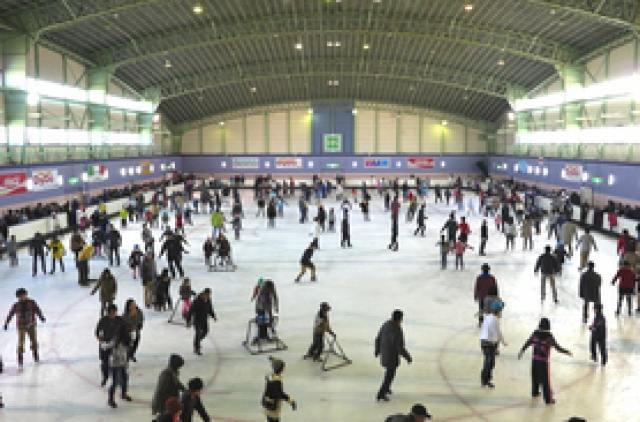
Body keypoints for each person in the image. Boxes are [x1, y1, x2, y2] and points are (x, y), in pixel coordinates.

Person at [518, 318, 572, 405]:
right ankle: (548, 399)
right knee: (545, 381)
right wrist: (566, 351)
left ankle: (535, 392)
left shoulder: (535, 334)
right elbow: (557, 347)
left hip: (535, 360)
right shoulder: (549, 336)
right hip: (543, 362)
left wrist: (521, 351)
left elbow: (527, 343)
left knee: (535, 376)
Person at [375, 309, 412, 402]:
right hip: (391, 357)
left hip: (385, 353)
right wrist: (408, 357)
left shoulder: (386, 324)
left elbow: (378, 337)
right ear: (400, 319)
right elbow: (399, 348)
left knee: (390, 374)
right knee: (389, 375)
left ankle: (386, 389)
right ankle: (381, 394)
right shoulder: (397, 331)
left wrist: (377, 350)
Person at [3, 288, 45, 366]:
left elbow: (37, 310)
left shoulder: (32, 302)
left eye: (23, 296)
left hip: (31, 325)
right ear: (17, 297)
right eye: (19, 297)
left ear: (26, 295)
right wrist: (6, 323)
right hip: (21, 326)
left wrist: (41, 316)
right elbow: (10, 314)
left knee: (34, 340)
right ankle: (20, 357)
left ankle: (35, 354)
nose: (22, 298)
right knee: (21, 342)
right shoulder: (16, 305)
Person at [479, 300, 506, 388]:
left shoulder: (488, 317)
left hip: (484, 341)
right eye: (501, 310)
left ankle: (485, 379)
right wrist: (503, 342)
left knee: (489, 361)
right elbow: (497, 333)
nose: (501, 312)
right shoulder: (495, 320)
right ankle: (485, 380)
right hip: (489, 343)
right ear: (498, 311)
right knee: (489, 362)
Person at [95, 304, 123, 386]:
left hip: (115, 345)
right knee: (104, 362)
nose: (113, 314)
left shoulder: (119, 320)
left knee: (116, 362)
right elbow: (97, 333)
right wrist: (102, 342)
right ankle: (105, 376)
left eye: (114, 312)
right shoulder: (103, 321)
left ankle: (116, 378)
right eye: (111, 313)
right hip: (105, 344)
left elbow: (125, 328)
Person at [262, 356, 296, 422]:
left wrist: (273, 360)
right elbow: (280, 394)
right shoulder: (276, 381)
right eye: (283, 367)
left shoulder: (272, 376)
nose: (284, 368)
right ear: (281, 369)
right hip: (272, 407)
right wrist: (291, 401)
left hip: (267, 404)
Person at [107, 323, 132, 408]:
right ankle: (110, 399)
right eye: (127, 330)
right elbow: (107, 346)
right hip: (115, 365)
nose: (129, 332)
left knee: (125, 379)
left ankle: (123, 393)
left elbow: (126, 351)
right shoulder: (115, 341)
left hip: (123, 363)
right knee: (115, 382)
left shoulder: (127, 340)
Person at [186, 288, 217, 355]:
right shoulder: (197, 301)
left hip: (204, 319)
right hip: (197, 321)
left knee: (205, 332)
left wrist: (213, 315)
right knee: (198, 333)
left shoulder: (208, 300)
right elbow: (190, 311)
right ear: (204, 294)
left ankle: (197, 343)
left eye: (210, 295)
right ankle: (197, 348)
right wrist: (188, 321)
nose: (209, 296)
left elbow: (210, 308)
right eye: (208, 295)